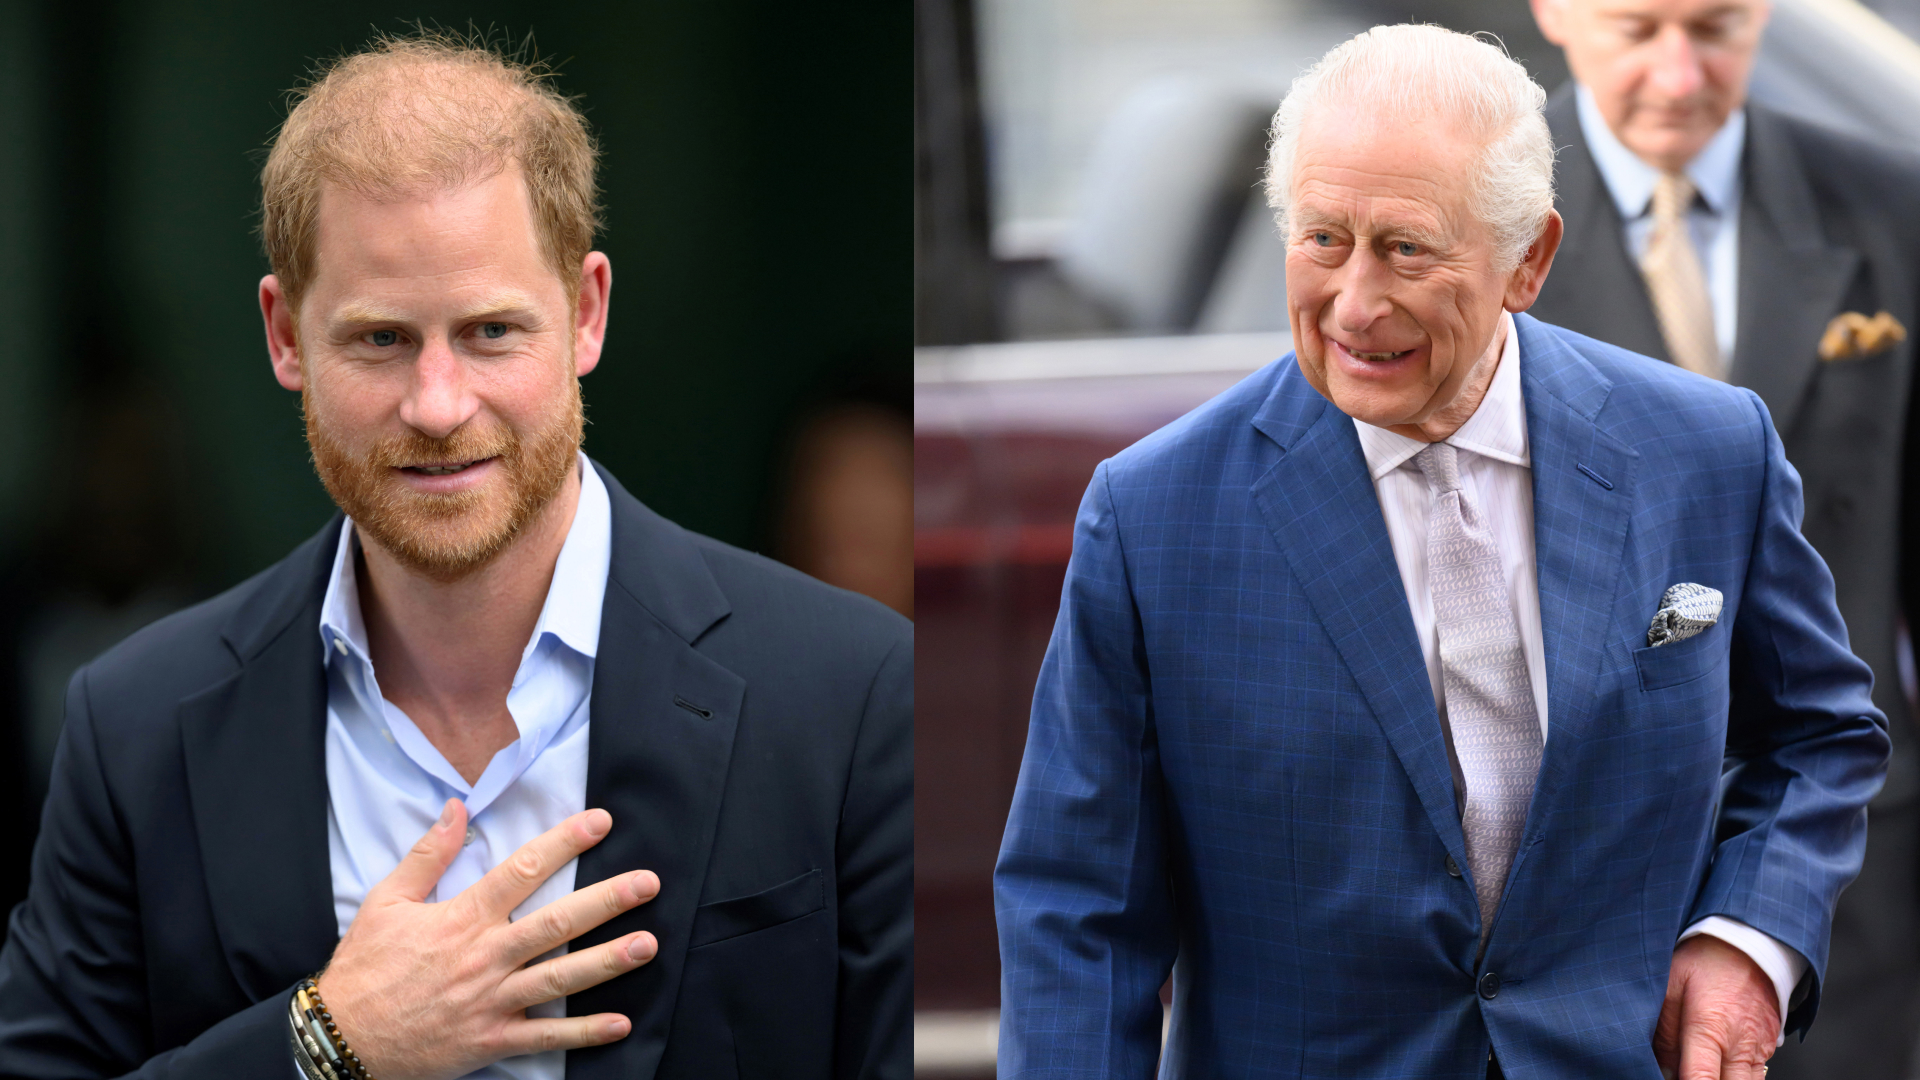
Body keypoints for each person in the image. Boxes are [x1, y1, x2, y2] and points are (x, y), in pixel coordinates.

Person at [0, 34, 912, 1080]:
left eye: (489, 331)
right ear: (285, 334)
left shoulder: (849, 696)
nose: (438, 406)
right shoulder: (135, 730)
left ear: (585, 314)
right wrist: (323, 1042)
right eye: (381, 339)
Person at [994, 24, 1887, 1079]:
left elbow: (1819, 739)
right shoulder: (1153, 516)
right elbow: (1078, 911)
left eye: (1407, 249)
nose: (1355, 304)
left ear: (1530, 260)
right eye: (1323, 239)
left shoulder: (1706, 450)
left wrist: (1746, 941)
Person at [1525, 2, 1920, 1073]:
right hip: (1582, 884)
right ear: (1553, 11)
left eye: (1716, 26)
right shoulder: (1477, 227)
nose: (1681, 70)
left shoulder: (1895, 200)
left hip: (1859, 866)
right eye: (1639, 27)